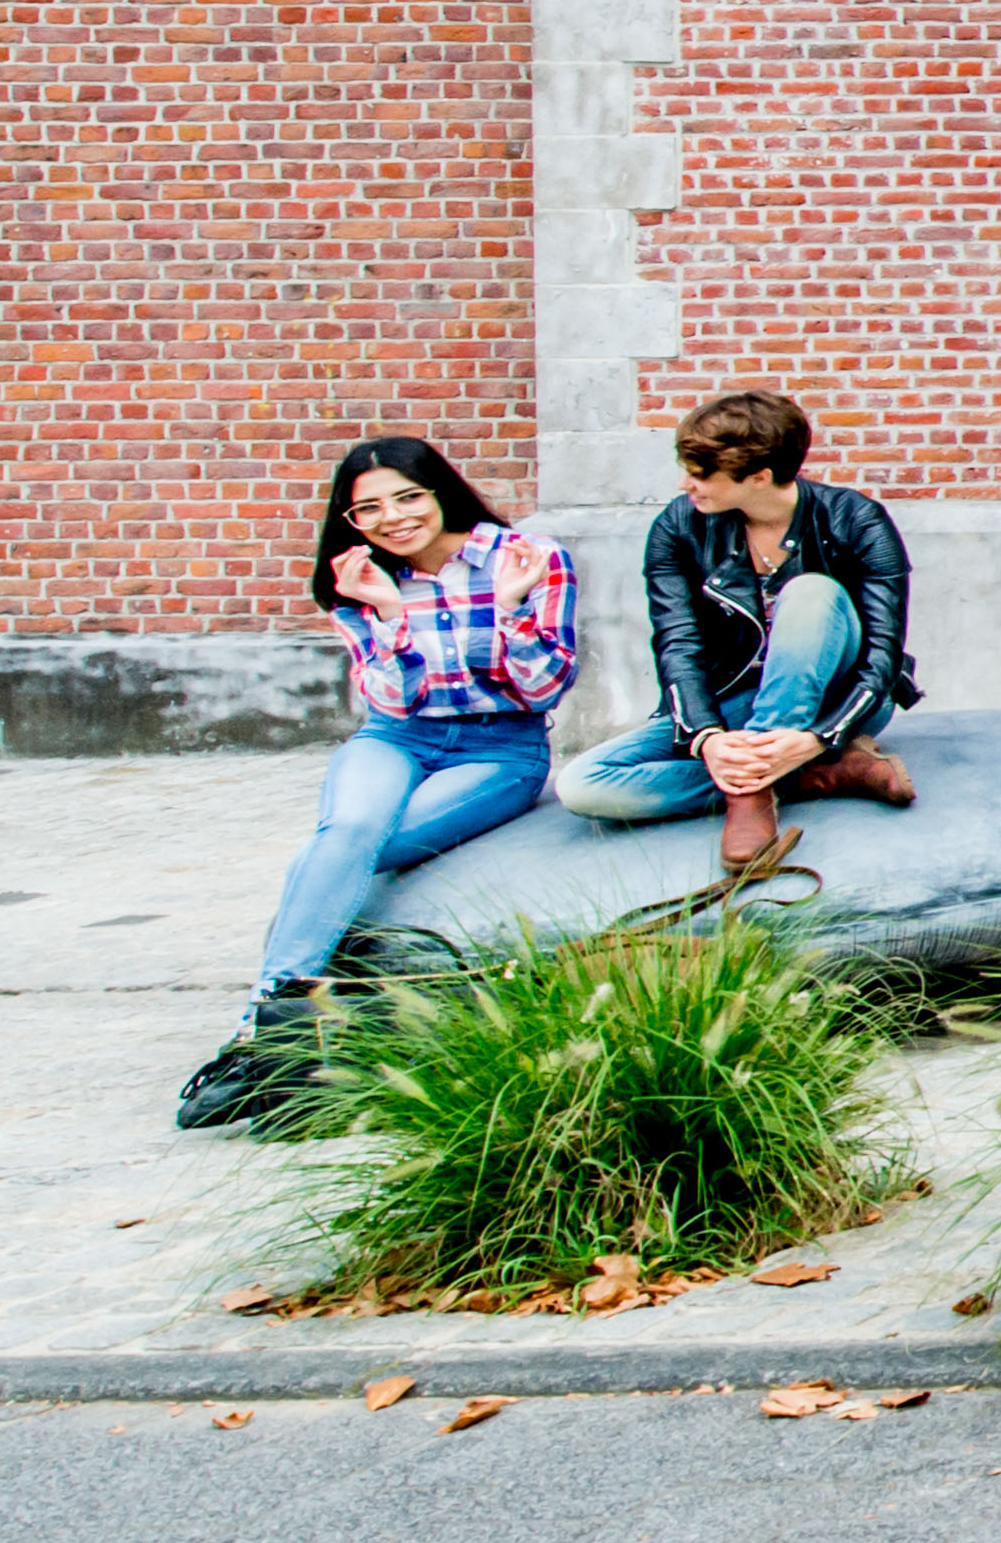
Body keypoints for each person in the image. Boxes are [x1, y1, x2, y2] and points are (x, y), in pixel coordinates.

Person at [192, 437, 583, 1107]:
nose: (394, 518)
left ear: (440, 493)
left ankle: (272, 1040)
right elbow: (393, 700)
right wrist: (392, 613)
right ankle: (263, 1031)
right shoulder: (356, 578)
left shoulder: (528, 557)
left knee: (364, 847)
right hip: (396, 737)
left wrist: (509, 605)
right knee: (347, 830)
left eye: (408, 497)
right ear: (349, 519)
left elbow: (540, 689)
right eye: (368, 508)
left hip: (500, 749)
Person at [556, 388, 923, 880]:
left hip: (840, 702)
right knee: (585, 786)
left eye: (702, 474)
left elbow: (882, 656)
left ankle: (750, 794)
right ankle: (809, 777)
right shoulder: (680, 527)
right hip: (732, 701)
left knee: (812, 592)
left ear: (760, 477)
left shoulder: (855, 520)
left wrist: (821, 736)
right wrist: (707, 737)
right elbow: (677, 643)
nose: (688, 485)